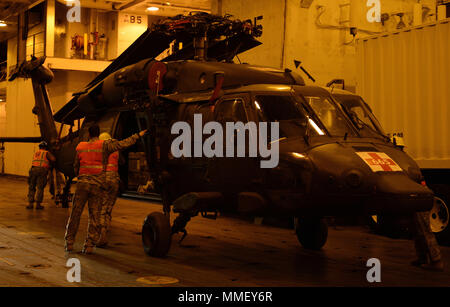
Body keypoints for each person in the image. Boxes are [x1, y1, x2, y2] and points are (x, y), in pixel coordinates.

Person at [64, 125, 147, 254]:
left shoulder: (80, 147)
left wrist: (81, 177)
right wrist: (138, 135)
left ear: (89, 134)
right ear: (98, 134)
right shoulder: (104, 145)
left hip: (82, 184)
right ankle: (89, 245)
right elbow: (122, 144)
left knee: (75, 214)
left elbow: (76, 166)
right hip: (97, 185)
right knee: (95, 216)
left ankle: (69, 243)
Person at [97, 132, 120, 247]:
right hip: (115, 179)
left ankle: (102, 234)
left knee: (102, 207)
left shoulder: (102, 150)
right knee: (109, 207)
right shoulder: (116, 150)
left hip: (105, 178)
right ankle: (107, 227)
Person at [27, 141, 55, 210]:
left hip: (33, 169)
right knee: (40, 187)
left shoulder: (36, 152)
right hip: (42, 170)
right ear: (46, 147)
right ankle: (38, 204)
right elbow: (53, 159)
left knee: (31, 186)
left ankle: (30, 204)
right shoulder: (46, 152)